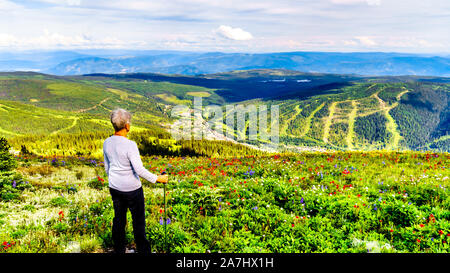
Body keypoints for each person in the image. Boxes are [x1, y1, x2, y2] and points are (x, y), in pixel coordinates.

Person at [103, 108, 168, 254]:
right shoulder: (130, 145)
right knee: (138, 222)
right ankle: (143, 251)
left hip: (115, 188)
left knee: (119, 220)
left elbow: (107, 168)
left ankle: (119, 249)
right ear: (127, 126)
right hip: (132, 190)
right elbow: (139, 170)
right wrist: (158, 178)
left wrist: (115, 181)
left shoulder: (107, 142)